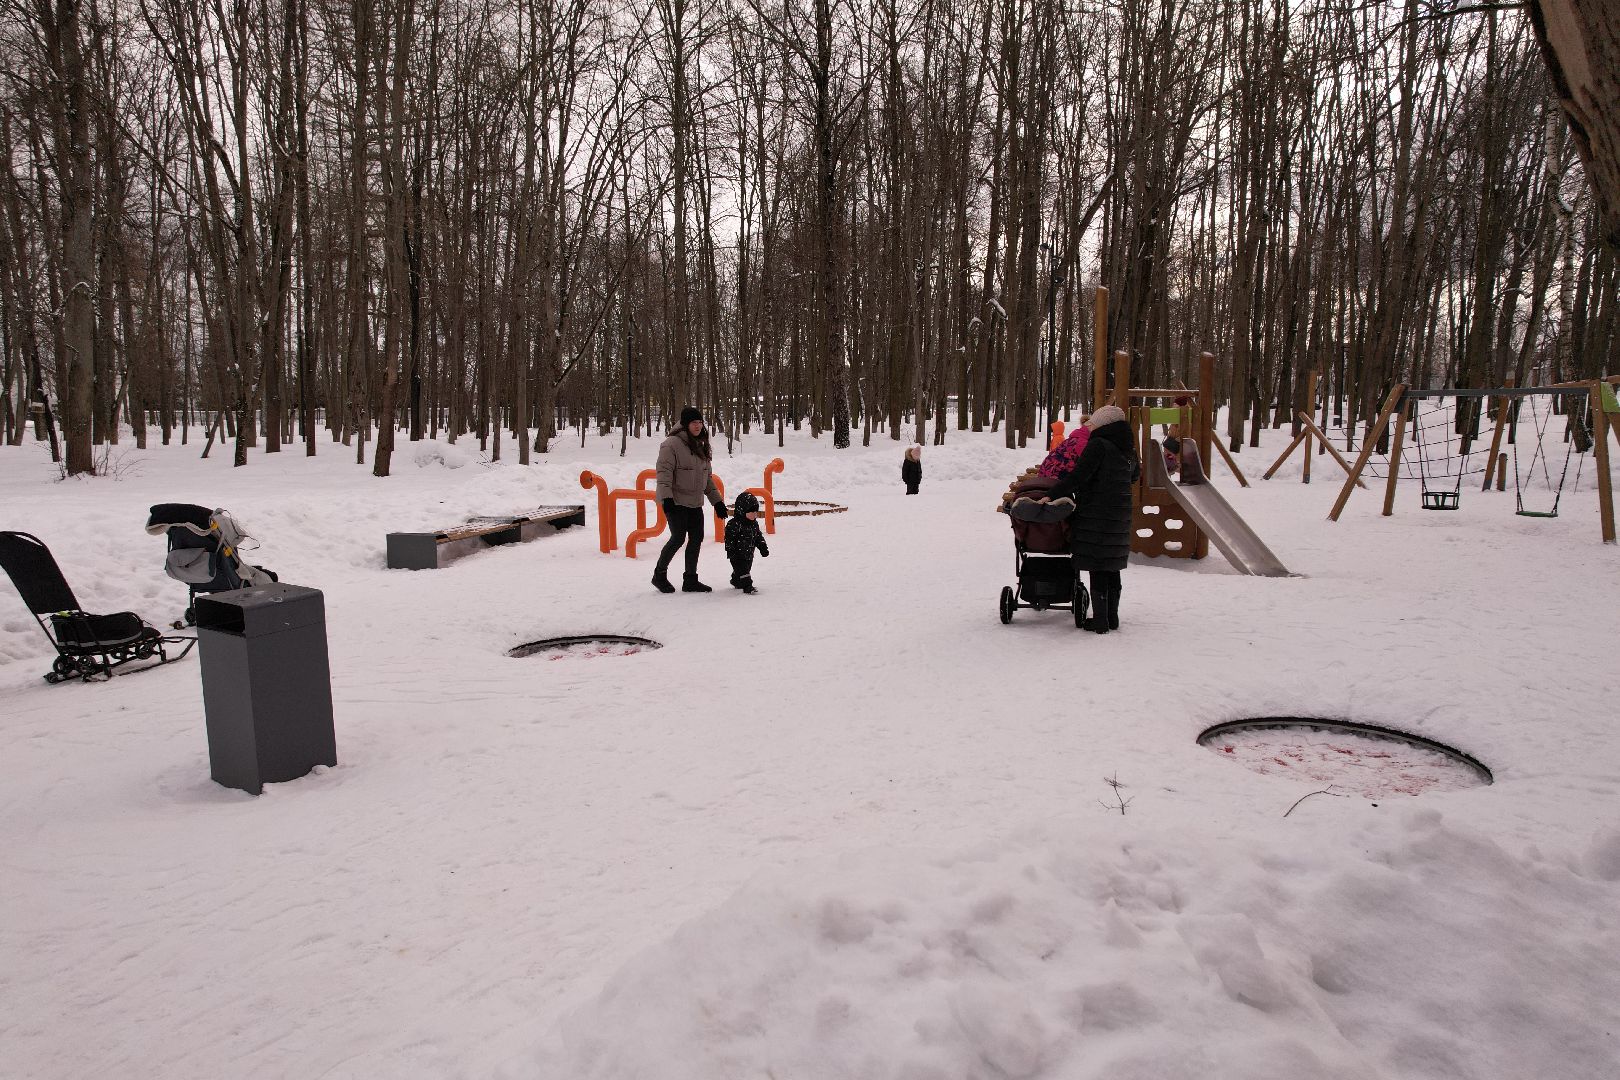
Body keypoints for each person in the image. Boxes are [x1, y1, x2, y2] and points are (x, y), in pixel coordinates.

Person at [1044, 403, 1140, 633]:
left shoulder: (1098, 445)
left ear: (1103, 425)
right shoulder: (1127, 449)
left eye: (1094, 423)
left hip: (1096, 512)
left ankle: (1099, 622)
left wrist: (1052, 494)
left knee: (1098, 565)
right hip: (1120, 513)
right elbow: (1134, 476)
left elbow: (1079, 475)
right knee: (1112, 566)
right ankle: (1111, 618)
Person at [653, 406, 726, 593]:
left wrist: (717, 502)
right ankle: (659, 576)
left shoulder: (701, 444)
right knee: (678, 538)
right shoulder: (671, 444)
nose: (698, 426)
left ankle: (690, 580)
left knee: (696, 538)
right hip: (675, 501)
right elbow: (664, 474)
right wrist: (667, 499)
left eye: (700, 422)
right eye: (694, 422)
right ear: (685, 424)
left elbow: (706, 478)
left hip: (695, 502)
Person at [724, 491, 770, 593]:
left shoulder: (754, 524)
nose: (755, 515)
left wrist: (762, 546)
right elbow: (729, 538)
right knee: (744, 572)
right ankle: (748, 586)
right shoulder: (734, 524)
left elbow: (758, 536)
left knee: (745, 570)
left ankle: (736, 580)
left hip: (749, 553)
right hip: (736, 554)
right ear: (742, 511)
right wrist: (730, 550)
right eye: (752, 512)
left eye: (756, 512)